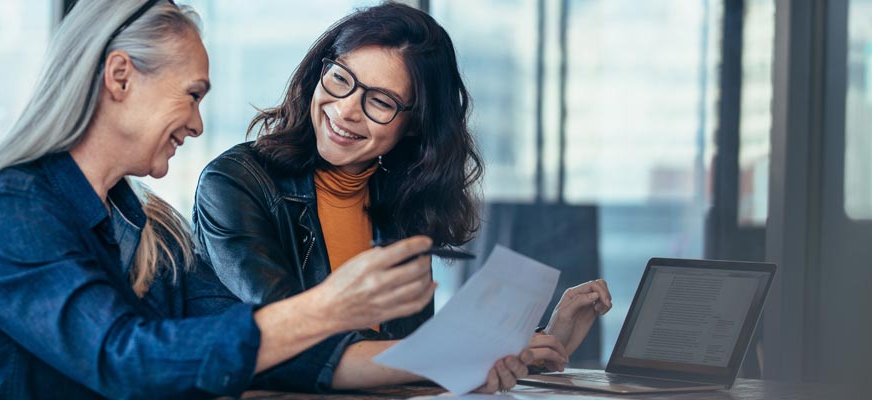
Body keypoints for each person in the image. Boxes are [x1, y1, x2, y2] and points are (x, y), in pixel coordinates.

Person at [0, 1, 528, 398]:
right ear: (119, 77)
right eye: (191, 94)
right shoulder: (6, 211)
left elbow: (268, 351)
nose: (197, 124)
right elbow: (123, 361)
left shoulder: (141, 219)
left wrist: (466, 357)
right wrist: (326, 308)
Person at [193, 2, 611, 390]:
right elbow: (292, 341)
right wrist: (461, 356)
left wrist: (537, 345)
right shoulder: (236, 182)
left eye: (380, 101)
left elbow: (409, 359)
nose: (346, 109)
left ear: (413, 125)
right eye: (340, 78)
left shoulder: (402, 202)